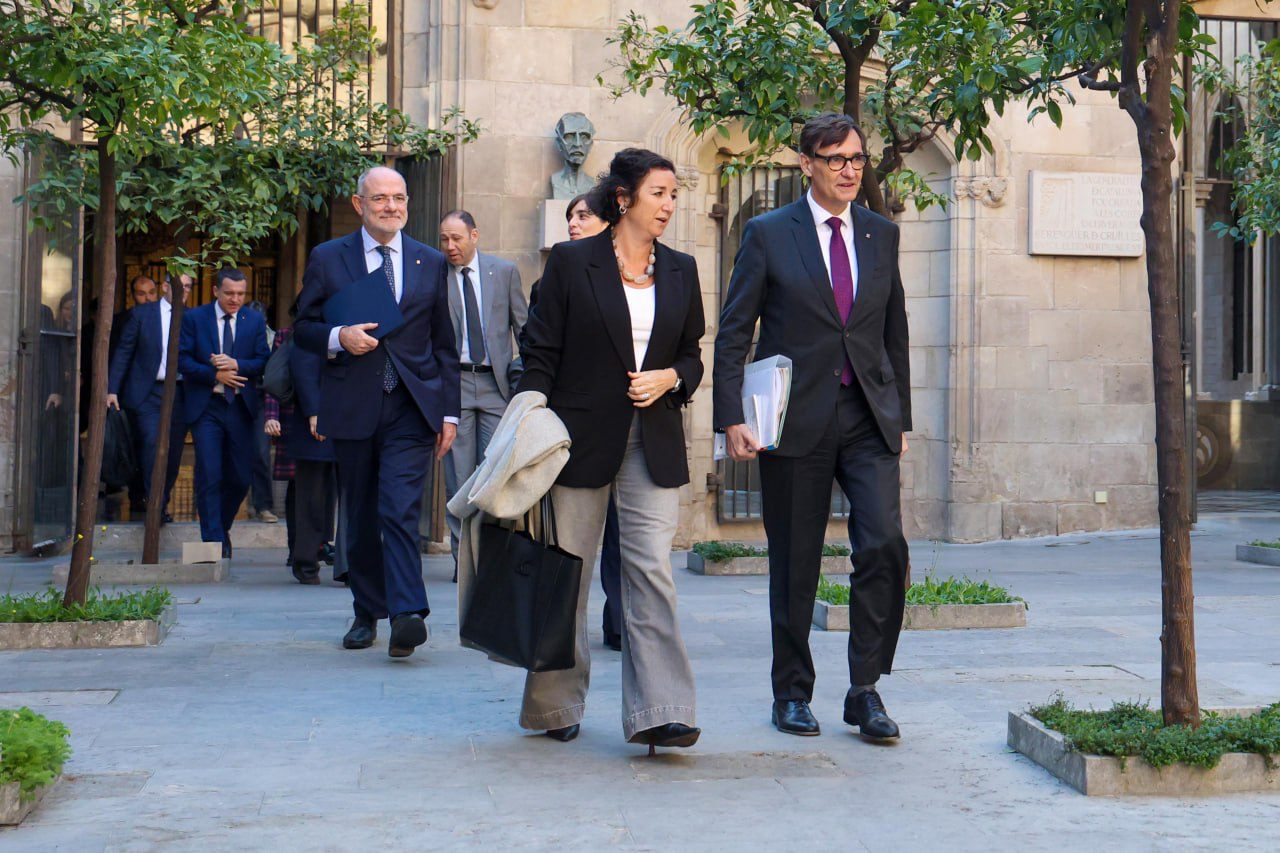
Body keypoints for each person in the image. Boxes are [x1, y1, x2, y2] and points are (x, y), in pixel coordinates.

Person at [713, 113, 912, 742]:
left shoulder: (881, 233)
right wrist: (731, 418)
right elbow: (734, 330)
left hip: (867, 418)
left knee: (884, 545)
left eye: (856, 158)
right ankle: (792, 692)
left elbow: (894, 330)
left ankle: (865, 689)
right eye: (835, 159)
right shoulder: (769, 233)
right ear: (807, 164)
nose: (849, 170)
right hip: (795, 419)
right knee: (796, 561)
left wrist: (900, 416)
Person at [516, 148, 705, 749]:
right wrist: (527, 420)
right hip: (577, 439)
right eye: (658, 193)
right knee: (568, 572)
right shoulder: (573, 262)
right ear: (623, 197)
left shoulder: (682, 269)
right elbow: (541, 352)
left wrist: (671, 378)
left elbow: (692, 355)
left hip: (654, 440)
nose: (668, 205)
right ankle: (554, 705)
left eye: (673, 195)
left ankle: (662, 711)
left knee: (651, 571)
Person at [294, 165, 459, 659]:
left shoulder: (431, 261)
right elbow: (303, 328)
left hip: (412, 405)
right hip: (353, 403)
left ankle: (407, 614)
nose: (392, 206)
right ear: (358, 204)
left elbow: (444, 344)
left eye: (399, 197)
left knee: (399, 509)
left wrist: (449, 413)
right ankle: (367, 611)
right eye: (380, 198)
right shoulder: (329, 258)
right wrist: (338, 337)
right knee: (363, 514)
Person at [527, 193, 623, 651]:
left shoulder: (646, 276)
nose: (573, 222)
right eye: (570, 216)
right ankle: (559, 647)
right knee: (570, 545)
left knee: (627, 540)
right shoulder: (556, 274)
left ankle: (619, 620)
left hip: (633, 425)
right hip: (575, 428)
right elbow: (536, 346)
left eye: (583, 215)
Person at [437, 209, 528, 577]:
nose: (450, 246)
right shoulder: (435, 276)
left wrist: (525, 383)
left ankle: (492, 557)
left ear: (474, 236)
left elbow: (524, 329)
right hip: (454, 386)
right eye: (444, 239)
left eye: (456, 238)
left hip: (496, 386)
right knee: (459, 480)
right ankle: (464, 564)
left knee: (496, 476)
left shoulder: (503, 272)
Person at [178, 267, 271, 558]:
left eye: (241, 294)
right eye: (229, 293)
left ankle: (221, 527)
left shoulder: (253, 320)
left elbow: (263, 360)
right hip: (207, 406)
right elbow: (181, 360)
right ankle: (213, 544)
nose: (235, 299)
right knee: (209, 474)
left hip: (240, 407)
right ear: (216, 290)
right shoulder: (195, 318)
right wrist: (214, 374)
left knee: (241, 477)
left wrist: (236, 364)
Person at [107, 273, 193, 522]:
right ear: (165, 286)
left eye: (188, 287)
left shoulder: (193, 318)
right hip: (148, 392)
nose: (184, 291)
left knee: (173, 452)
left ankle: (161, 501)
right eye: (179, 286)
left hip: (180, 393)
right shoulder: (142, 314)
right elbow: (124, 351)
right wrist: (112, 389)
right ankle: (154, 504)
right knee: (151, 444)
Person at [263, 304, 336, 585]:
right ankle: (304, 558)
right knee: (307, 493)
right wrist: (312, 412)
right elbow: (281, 374)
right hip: (305, 418)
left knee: (333, 493)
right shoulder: (297, 334)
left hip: (343, 417)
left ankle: (331, 555)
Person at [112, 274, 160, 512]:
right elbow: (119, 355)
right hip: (133, 393)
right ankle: (138, 494)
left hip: (160, 392)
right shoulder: (123, 320)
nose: (147, 298)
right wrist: (114, 390)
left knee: (153, 443)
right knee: (136, 444)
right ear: (132, 296)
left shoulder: (166, 316)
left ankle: (154, 498)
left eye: (151, 292)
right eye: (141, 294)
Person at [245, 298, 279, 523]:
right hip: (235, 393)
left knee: (260, 452)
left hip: (261, 395)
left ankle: (263, 504)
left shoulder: (274, 339)